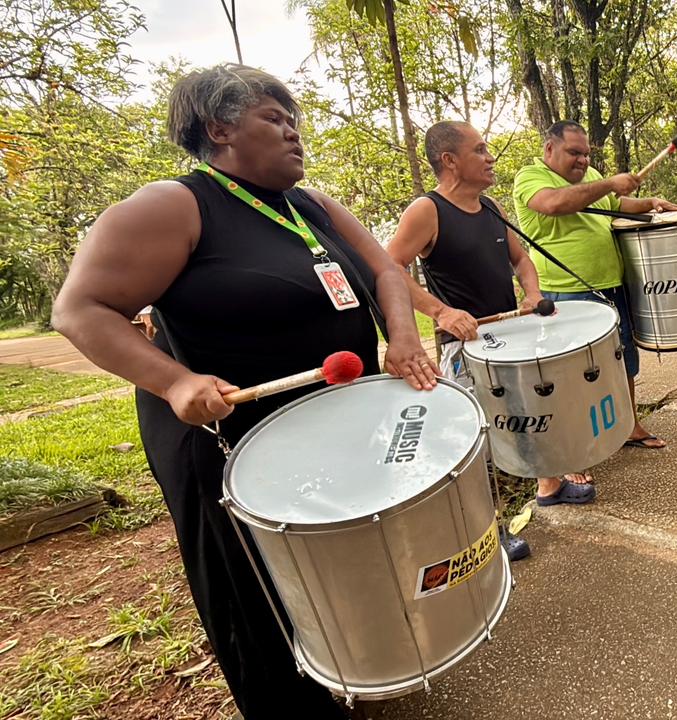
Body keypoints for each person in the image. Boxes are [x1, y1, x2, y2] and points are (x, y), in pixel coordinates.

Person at [51, 65, 437, 720]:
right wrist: (175, 382)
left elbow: (386, 272)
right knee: (259, 591)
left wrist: (401, 337)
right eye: (273, 120)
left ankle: (355, 671)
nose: (294, 133)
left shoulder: (310, 205)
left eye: (294, 120)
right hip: (228, 438)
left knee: (334, 563)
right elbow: (80, 309)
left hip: (323, 422)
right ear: (219, 129)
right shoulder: (175, 204)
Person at [388, 120, 594, 516]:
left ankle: (548, 485)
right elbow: (390, 265)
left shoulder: (490, 207)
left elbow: (520, 259)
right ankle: (488, 528)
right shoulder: (427, 210)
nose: (490, 157)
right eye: (480, 150)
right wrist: (441, 312)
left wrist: (533, 294)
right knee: (475, 437)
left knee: (532, 411)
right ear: (449, 160)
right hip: (464, 345)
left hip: (510, 333)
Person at [512, 120, 677, 449]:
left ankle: (630, 425)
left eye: (586, 154)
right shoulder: (530, 177)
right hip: (567, 292)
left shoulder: (589, 178)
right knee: (575, 372)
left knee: (622, 360)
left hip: (610, 285)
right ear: (549, 148)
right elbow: (555, 204)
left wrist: (650, 202)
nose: (583, 160)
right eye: (574, 153)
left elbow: (614, 206)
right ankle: (580, 443)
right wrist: (609, 183)